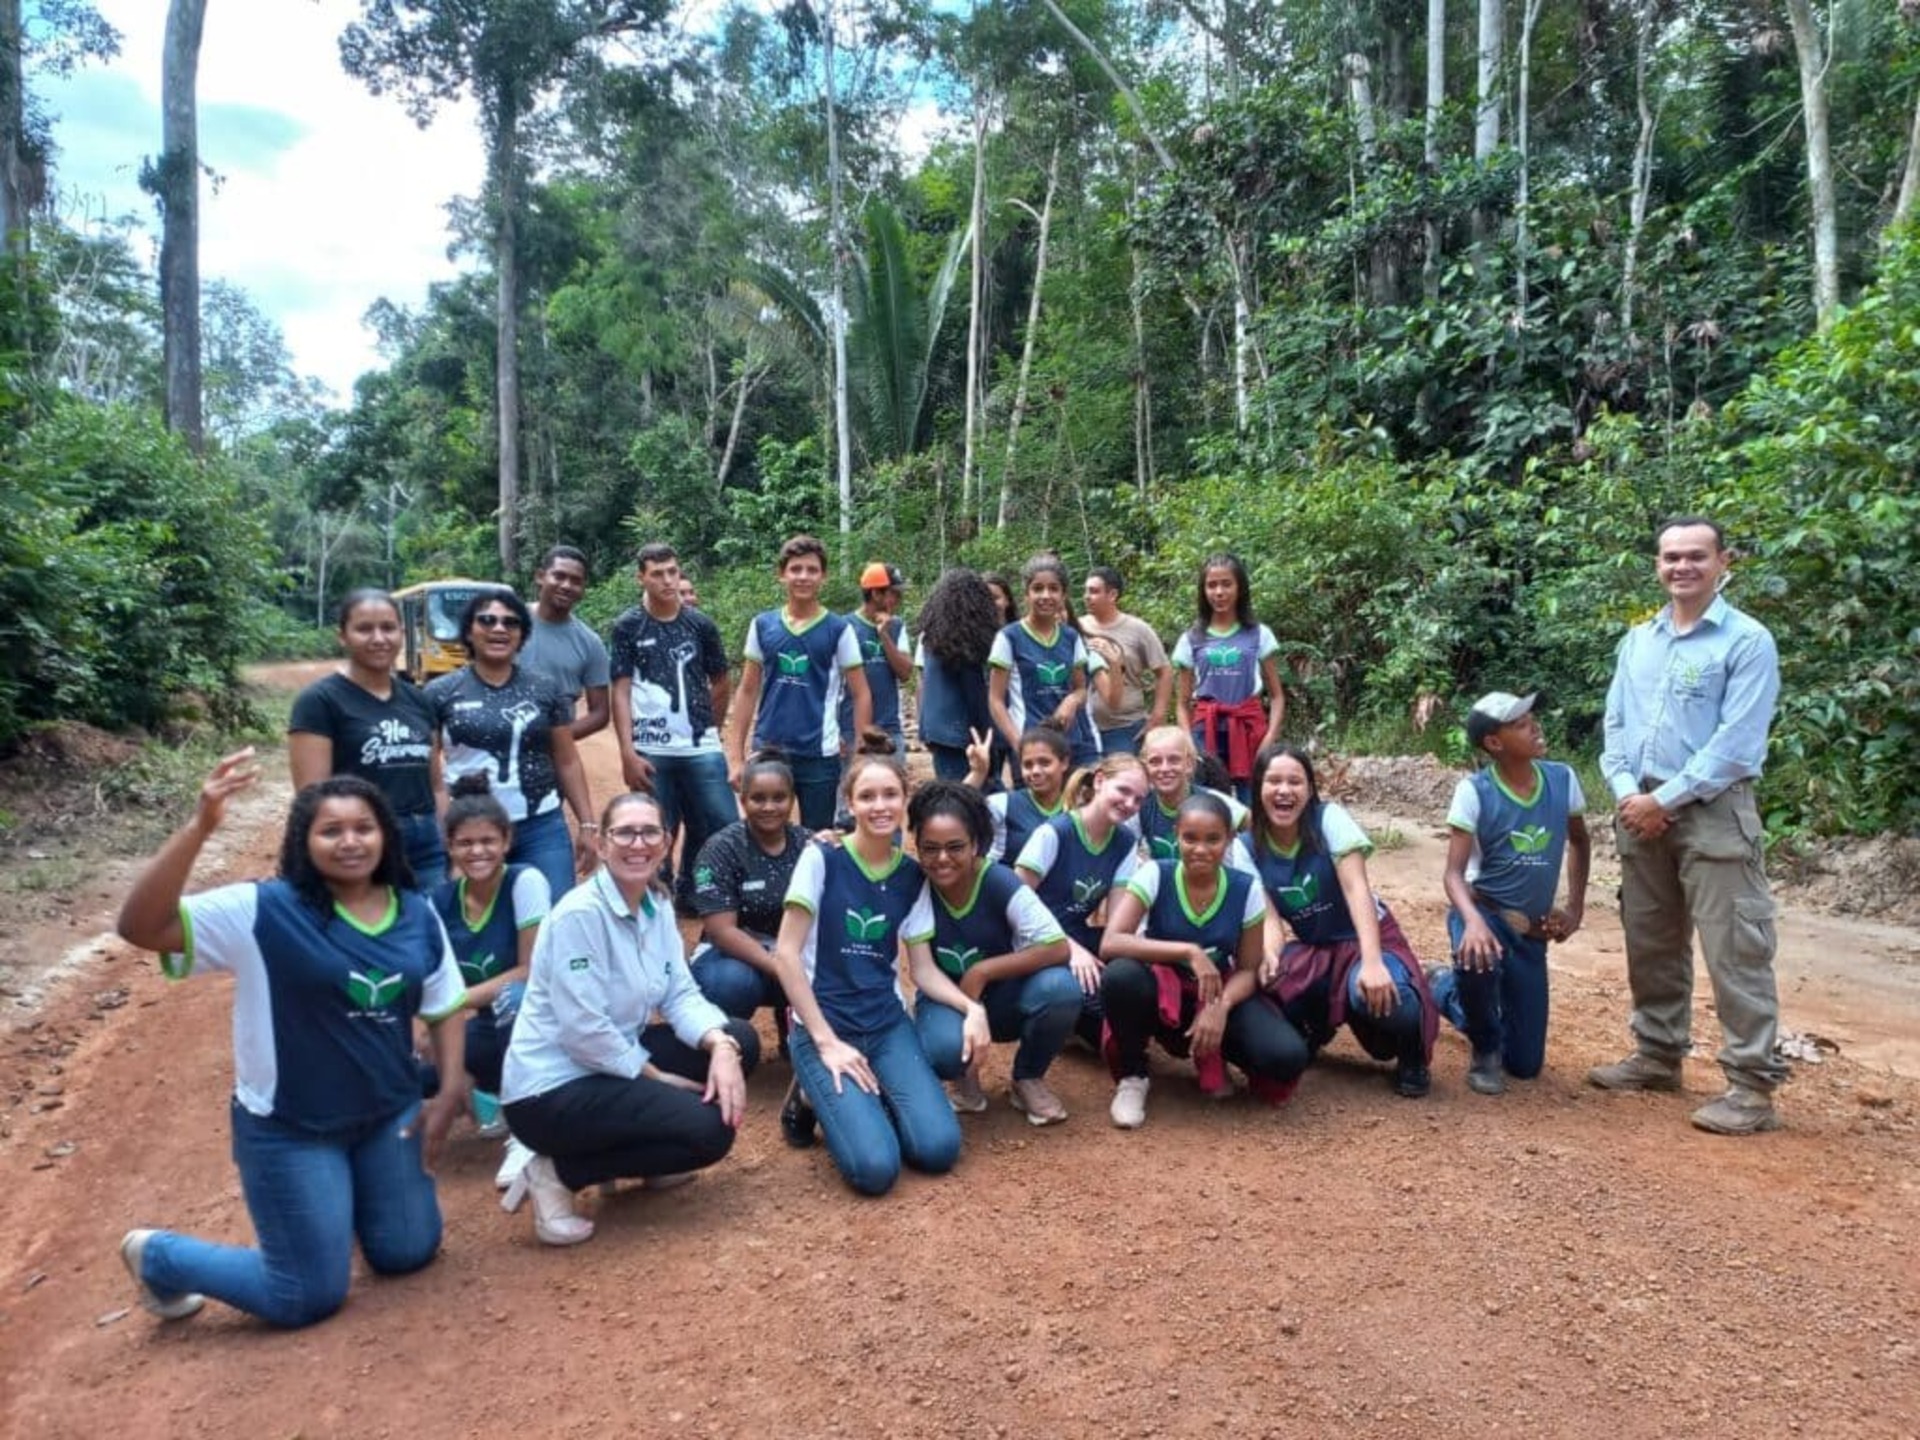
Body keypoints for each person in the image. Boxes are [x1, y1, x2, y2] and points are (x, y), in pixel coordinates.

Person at [114, 752, 468, 1328]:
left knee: (408, 1251)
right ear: (303, 841)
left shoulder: (415, 913)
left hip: (387, 1116)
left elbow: (445, 1003)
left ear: (386, 836)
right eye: (331, 831)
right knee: (303, 1294)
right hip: (292, 1128)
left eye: (364, 828)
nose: (350, 842)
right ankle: (158, 1255)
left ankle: (340, 1207)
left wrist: (450, 1088)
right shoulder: (262, 909)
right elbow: (140, 927)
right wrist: (199, 828)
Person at [1590, 516, 1786, 1135]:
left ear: (1723, 561)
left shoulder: (1747, 642)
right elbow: (1615, 726)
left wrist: (1666, 799)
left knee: (1736, 947)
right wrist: (1628, 793)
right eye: (1671, 557)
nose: (1682, 567)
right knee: (1649, 936)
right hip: (1639, 809)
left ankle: (1751, 1088)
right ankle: (1656, 1054)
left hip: (1713, 811)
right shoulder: (1638, 642)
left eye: (1696, 556)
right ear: (1657, 565)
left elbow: (1737, 743)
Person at [499, 792, 759, 1245]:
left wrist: (719, 1045)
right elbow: (583, 1032)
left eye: (650, 832)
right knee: (710, 1131)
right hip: (552, 1089)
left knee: (741, 1041)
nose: (637, 843)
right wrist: (653, 1077)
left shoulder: (655, 907)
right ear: (601, 844)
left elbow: (680, 993)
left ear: (665, 843)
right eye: (624, 832)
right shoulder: (578, 916)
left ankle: (650, 1158)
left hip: (612, 1058)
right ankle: (556, 1171)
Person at [765, 743, 977, 1196]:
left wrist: (968, 1006)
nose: (879, 806)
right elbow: (785, 954)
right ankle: (806, 1094)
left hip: (885, 1023)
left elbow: (921, 969)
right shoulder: (821, 859)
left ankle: (861, 1098)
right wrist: (825, 1043)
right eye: (867, 796)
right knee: (875, 1169)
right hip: (825, 1024)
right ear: (850, 803)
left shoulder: (912, 876)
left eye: (889, 795)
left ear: (905, 799)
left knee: (937, 1149)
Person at [1233, 743, 1437, 1098]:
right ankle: (1319, 1024)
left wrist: (1372, 962)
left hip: (1364, 938)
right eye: (1274, 781)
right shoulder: (1247, 846)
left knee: (1384, 998)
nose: (1284, 790)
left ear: (1310, 789)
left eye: (1295, 782)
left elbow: (1357, 889)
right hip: (1317, 947)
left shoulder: (1329, 820)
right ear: (1258, 788)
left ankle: (1412, 1052)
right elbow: (1269, 919)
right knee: (1273, 982)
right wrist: (1270, 957)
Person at [1100, 793, 1309, 1128]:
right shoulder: (1155, 874)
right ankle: (1133, 1076)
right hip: (1161, 996)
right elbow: (1111, 942)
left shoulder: (1246, 889)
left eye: (1213, 839)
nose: (1200, 849)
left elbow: (1247, 968)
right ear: (1175, 837)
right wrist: (1188, 952)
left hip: (1213, 992)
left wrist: (1221, 1007)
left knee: (1287, 1056)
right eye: (1190, 838)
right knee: (1121, 977)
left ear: (1229, 840)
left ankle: (1216, 1051)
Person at [1432, 693, 1591, 1096]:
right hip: (1485, 912)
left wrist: (1574, 907)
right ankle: (1477, 1036)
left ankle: (1460, 994)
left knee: (1525, 1064)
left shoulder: (1562, 779)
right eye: (1520, 724)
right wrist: (1471, 922)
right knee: (1477, 957)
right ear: (1494, 744)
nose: (1534, 726)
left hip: (1531, 929)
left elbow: (1580, 841)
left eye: (1532, 718)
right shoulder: (1475, 791)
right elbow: (1453, 875)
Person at [904, 782, 1079, 1124]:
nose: (942, 859)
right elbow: (921, 968)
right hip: (945, 999)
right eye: (930, 848)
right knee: (942, 1051)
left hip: (1002, 998)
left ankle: (1027, 1077)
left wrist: (981, 972)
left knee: (1060, 989)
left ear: (976, 845)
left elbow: (1057, 946)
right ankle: (962, 1073)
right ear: (917, 846)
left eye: (955, 847)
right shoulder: (915, 885)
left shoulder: (998, 881)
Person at [426, 587, 595, 903]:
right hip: (471, 828)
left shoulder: (545, 688)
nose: (499, 628)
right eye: (487, 621)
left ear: (523, 634)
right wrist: (445, 829)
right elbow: (431, 774)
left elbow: (567, 760)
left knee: (552, 920)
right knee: (474, 918)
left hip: (540, 826)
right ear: (468, 631)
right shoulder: (439, 692)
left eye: (511, 622)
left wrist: (587, 824)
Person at [431, 775, 551, 1185]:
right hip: (480, 1024)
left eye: (487, 841)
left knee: (514, 999)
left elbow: (530, 969)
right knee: (400, 1048)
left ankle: (528, 1131)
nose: (477, 851)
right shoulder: (438, 901)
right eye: (465, 843)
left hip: (532, 1020)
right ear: (449, 847)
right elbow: (426, 983)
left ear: (506, 841)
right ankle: (486, 1089)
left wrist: (455, 1001)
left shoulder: (525, 881)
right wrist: (443, 1056)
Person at [608, 542, 736, 911]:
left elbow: (721, 679)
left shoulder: (700, 624)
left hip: (701, 747)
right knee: (651, 831)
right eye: (657, 573)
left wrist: (708, 725)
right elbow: (621, 689)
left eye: (673, 572)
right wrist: (627, 751)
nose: (667, 580)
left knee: (724, 824)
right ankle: (652, 903)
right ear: (641, 578)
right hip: (651, 749)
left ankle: (706, 892)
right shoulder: (627, 626)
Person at [289, 589, 446, 889]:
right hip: (361, 843)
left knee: (431, 930)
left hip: (426, 846)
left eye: (388, 628)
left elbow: (436, 784)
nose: (378, 638)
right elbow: (311, 796)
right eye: (364, 629)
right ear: (343, 636)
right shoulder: (320, 701)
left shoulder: (420, 701)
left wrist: (444, 837)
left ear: (401, 633)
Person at [725, 534, 873, 830]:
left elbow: (861, 694)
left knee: (817, 838)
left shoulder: (838, 629)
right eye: (795, 569)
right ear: (782, 574)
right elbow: (747, 690)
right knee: (761, 833)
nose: (803, 576)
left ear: (823, 576)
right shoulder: (763, 625)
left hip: (819, 754)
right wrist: (735, 758)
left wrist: (860, 757)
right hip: (767, 749)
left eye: (811, 570)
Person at [1013, 753, 1150, 1046]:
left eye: (1138, 799)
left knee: (1129, 987)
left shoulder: (1124, 841)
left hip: (1073, 935)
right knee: (1104, 1017)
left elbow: (1116, 924)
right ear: (1100, 781)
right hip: (1032, 939)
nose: (1130, 804)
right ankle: (1055, 1019)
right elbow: (1015, 902)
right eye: (1123, 791)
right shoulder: (1054, 832)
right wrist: (1071, 950)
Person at [687, 752, 811, 1026]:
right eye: (758, 798)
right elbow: (722, 932)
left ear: (792, 800)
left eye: (779, 798)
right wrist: (781, 967)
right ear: (743, 801)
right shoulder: (721, 849)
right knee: (732, 983)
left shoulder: (808, 845)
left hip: (792, 953)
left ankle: (795, 1033)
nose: (769, 807)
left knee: (834, 973)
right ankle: (723, 1048)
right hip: (730, 956)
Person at [1172, 552, 1285, 802]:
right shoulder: (1191, 638)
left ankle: (1248, 843)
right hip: (1205, 731)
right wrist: (1188, 742)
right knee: (1206, 804)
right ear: (1203, 591)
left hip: (1248, 729)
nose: (1219, 592)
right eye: (1212, 585)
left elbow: (1276, 696)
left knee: (1251, 802)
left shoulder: (1259, 634)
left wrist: (1269, 737)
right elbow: (1181, 703)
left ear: (1240, 588)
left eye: (1226, 584)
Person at [989, 554, 1102, 769]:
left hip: (1071, 744)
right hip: (1031, 748)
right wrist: (1018, 743)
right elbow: (995, 700)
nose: (1045, 595)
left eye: (1053, 588)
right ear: (1026, 595)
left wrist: (1070, 702)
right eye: (1037, 588)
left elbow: (1081, 689)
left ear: (1063, 595)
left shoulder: (1071, 637)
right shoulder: (1009, 637)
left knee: (1080, 801)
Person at [914, 567, 1004, 786]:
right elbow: (976, 697)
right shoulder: (967, 641)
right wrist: (989, 739)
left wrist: (924, 729)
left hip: (938, 732)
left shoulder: (930, 638)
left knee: (951, 794)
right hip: (964, 736)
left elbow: (924, 686)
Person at [518, 544, 611, 741]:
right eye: (559, 576)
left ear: (583, 588)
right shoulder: (508, 624)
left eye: (576, 581)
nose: (567, 586)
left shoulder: (590, 643)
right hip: (496, 747)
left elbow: (600, 713)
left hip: (552, 759)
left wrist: (558, 739)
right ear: (540, 577)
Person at [1078, 566, 1171, 756]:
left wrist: (1157, 718)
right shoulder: (1077, 627)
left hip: (1126, 727)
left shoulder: (1138, 629)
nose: (1087, 596)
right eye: (1086, 591)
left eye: (1094, 591)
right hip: (1084, 729)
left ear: (1112, 595)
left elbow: (1164, 671)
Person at [1137, 725, 1248, 862]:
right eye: (1155, 761)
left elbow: (1256, 827)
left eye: (1174, 760)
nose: (1164, 768)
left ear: (1189, 764)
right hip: (1167, 881)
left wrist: (1243, 861)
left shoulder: (1213, 801)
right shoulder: (1142, 805)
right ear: (1145, 767)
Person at [966, 723, 1072, 863]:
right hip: (1009, 883)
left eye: (1045, 763)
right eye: (1028, 765)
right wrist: (977, 773)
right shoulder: (1002, 804)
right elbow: (951, 813)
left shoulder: (1079, 805)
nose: (1035, 771)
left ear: (1064, 763)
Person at [840, 561, 913, 759]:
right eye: (894, 593)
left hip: (889, 727)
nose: (898, 599)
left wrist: (885, 636)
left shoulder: (897, 626)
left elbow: (906, 673)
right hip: (850, 728)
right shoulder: (844, 627)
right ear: (876, 594)